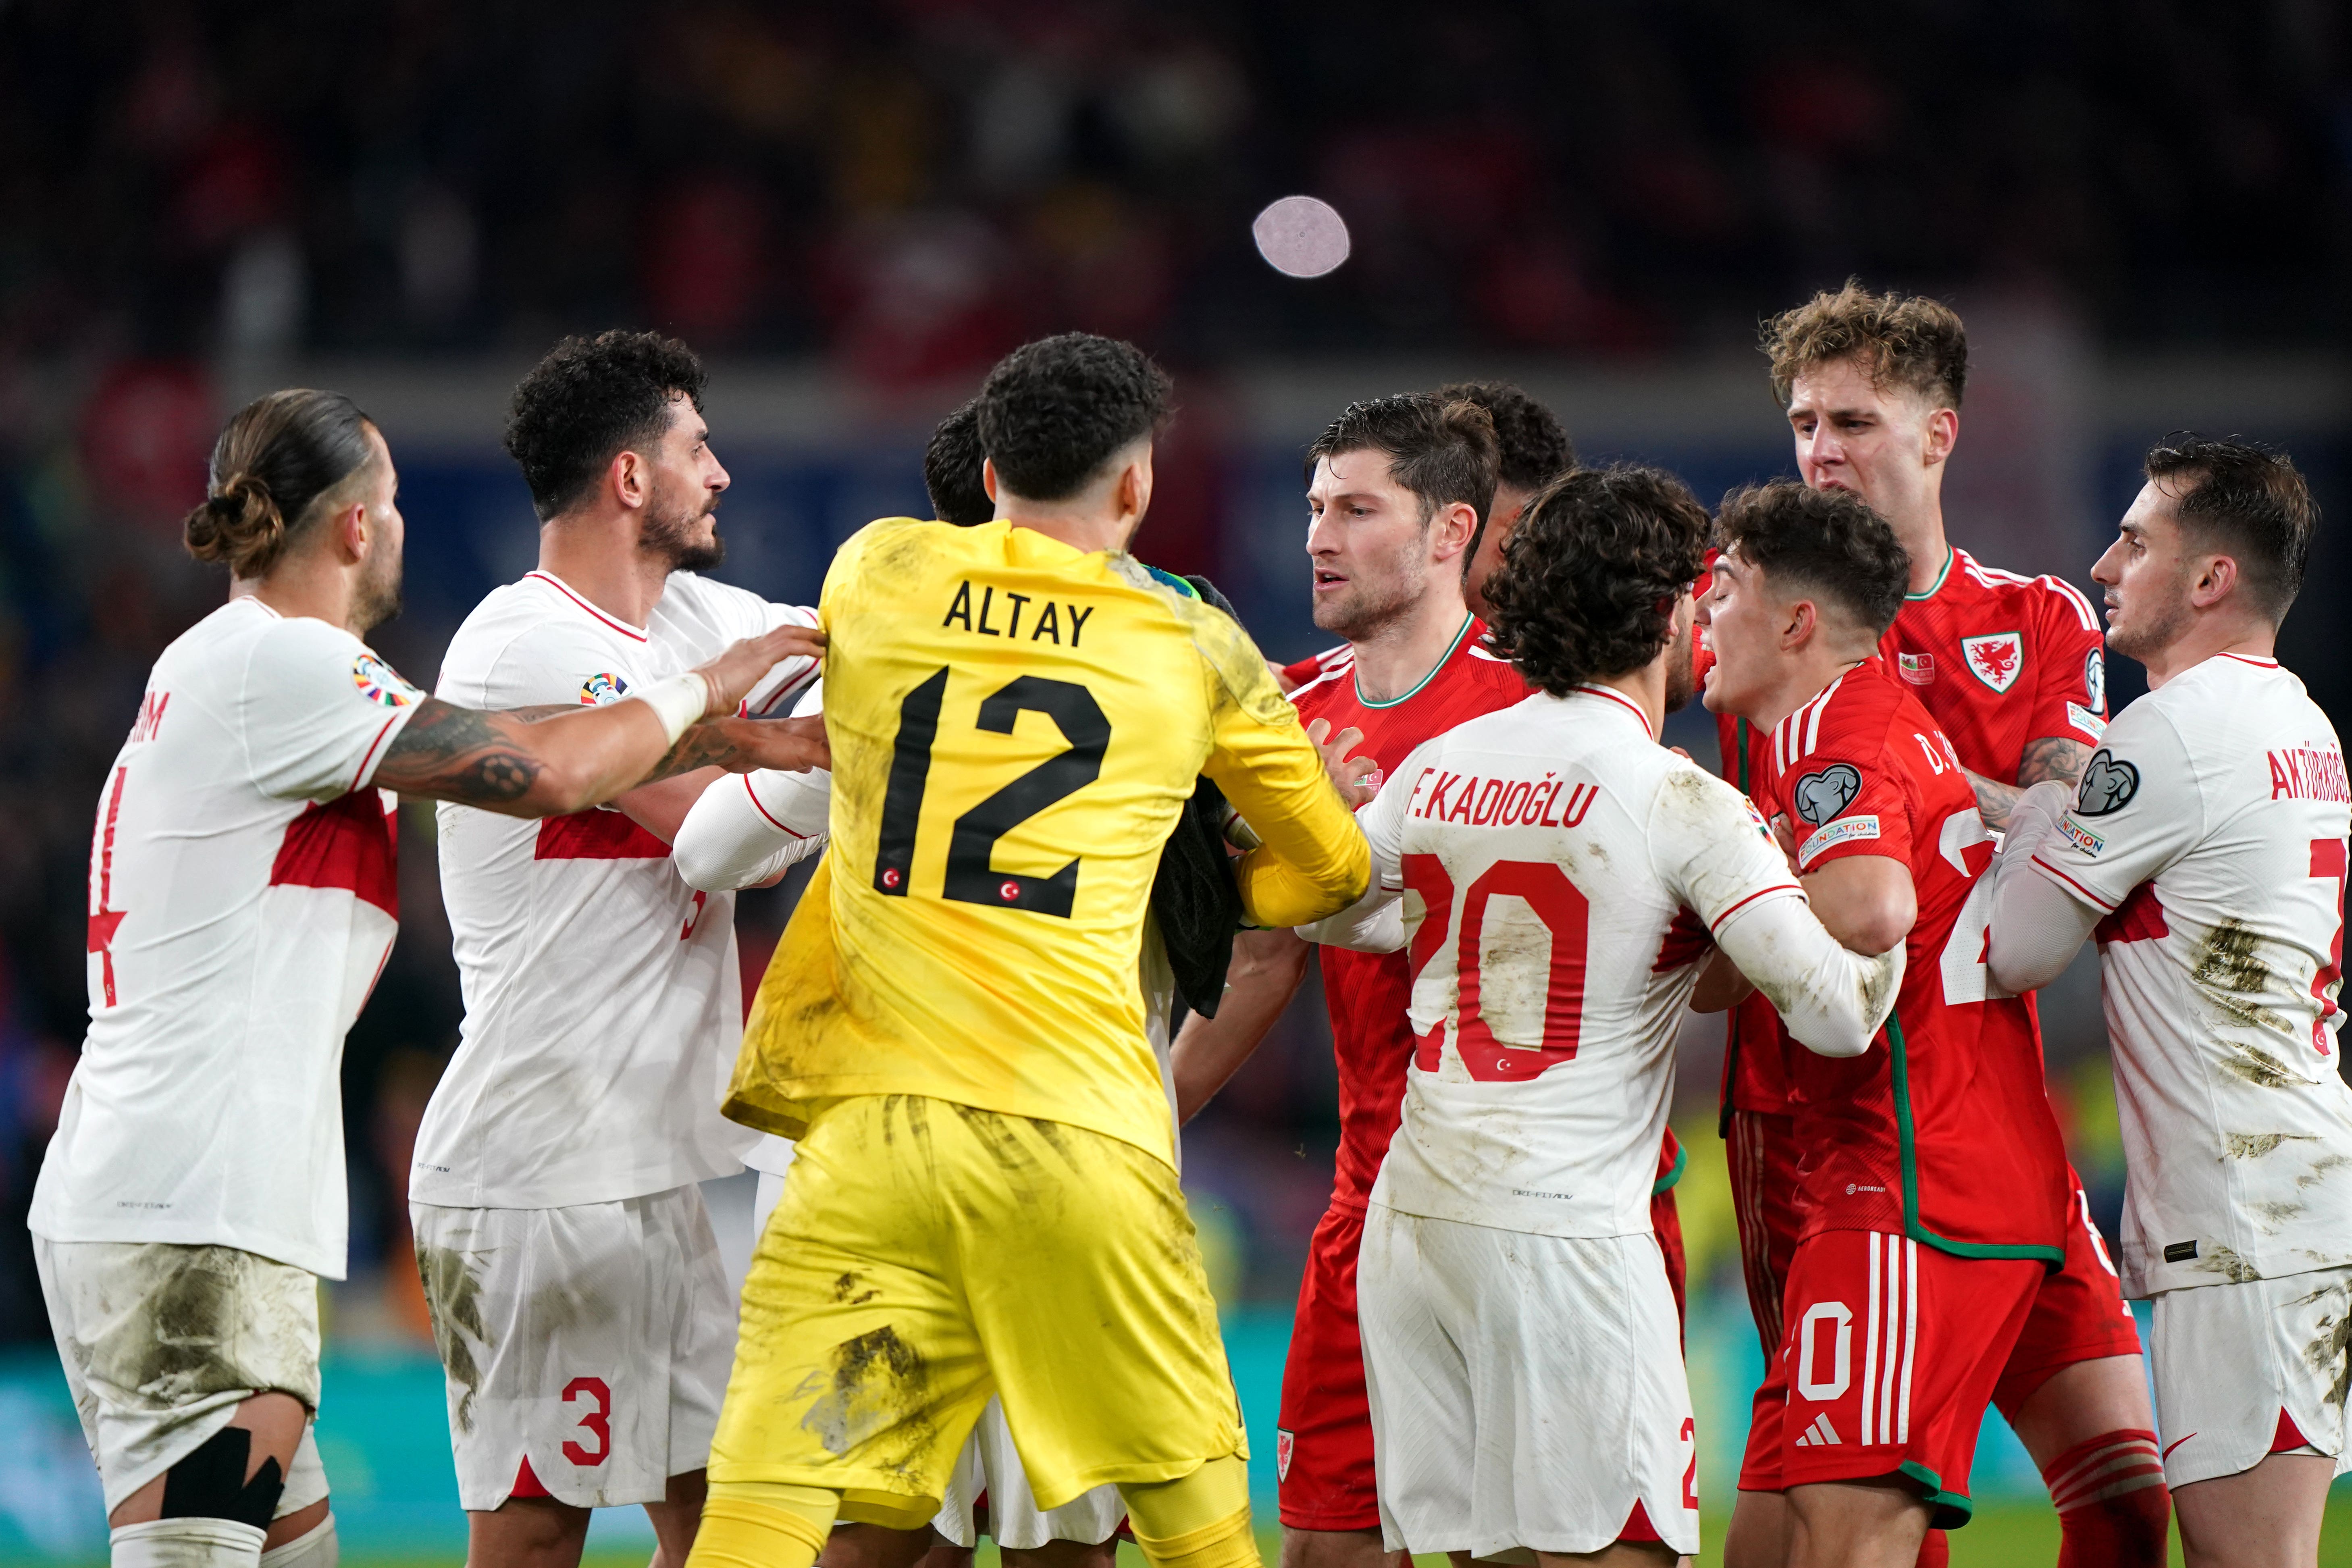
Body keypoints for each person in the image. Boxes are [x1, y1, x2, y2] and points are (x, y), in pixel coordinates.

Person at [27, 389, 824, 1568]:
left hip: (192, 1192)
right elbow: (548, 769)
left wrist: (739, 740)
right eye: (393, 504)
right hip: (191, 1201)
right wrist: (713, 691)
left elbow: (560, 748)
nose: (400, 529)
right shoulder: (284, 666)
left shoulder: (242, 672)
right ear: (356, 528)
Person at [686, 332, 1368, 1568]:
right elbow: (1332, 873)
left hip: (870, 1135)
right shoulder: (1197, 646)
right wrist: (1214, 868)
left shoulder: (877, 569)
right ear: (1136, 488)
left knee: (768, 1511)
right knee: (1192, 1525)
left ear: (989, 466)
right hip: (1082, 1132)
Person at [1309, 466, 1903, 1566]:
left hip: (1417, 1223)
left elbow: (1334, 913)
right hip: (1566, 1235)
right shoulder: (1676, 796)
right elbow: (1833, 1016)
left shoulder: (1443, 765)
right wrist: (1899, 915)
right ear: (1671, 610)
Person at [1733, 282, 2164, 1566]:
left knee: (2126, 1503)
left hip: (1991, 1098)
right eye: (1803, 422)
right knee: (1860, 1498)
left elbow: (2071, 818)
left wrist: (1925, 781)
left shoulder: (2033, 618)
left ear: (1938, 435)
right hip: (1809, 1116)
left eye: (1854, 420)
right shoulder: (1749, 609)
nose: (1820, 450)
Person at [407, 331, 828, 1568]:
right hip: (541, 1160)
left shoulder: (694, 612)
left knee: (717, 1524)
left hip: (649, 1161)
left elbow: (843, 646)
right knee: (537, 1537)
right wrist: (833, 762)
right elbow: (712, 834)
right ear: (632, 478)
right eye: (699, 448)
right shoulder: (522, 642)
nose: (724, 475)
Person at [1170, 391, 1529, 1568]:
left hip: (1531, 1199)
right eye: (1313, 506)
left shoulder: (1541, 700)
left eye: (1356, 509)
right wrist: (1136, 1123)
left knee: (1521, 1548)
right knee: (1325, 1546)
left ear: (1448, 533)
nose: (1317, 536)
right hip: (1366, 1195)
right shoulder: (1284, 714)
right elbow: (1263, 957)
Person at [1990, 436, 2352, 1568]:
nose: (2102, 561)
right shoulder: (2299, 725)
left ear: (2209, 581)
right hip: (2285, 1196)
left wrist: (1951, 803)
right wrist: (1997, 801)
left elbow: (2012, 948)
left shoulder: (2164, 733)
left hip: (2243, 1225)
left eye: (2135, 540)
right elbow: (2115, 843)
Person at [1701, 481, 2073, 1568]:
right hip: (1894, 1170)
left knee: (1850, 1535)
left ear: (1795, 623)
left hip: (1910, 1176)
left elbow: (1869, 909)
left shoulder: (1836, 732)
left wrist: (1736, 881)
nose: (1700, 617)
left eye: (1721, 590)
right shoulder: (1855, 720)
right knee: (1769, 1543)